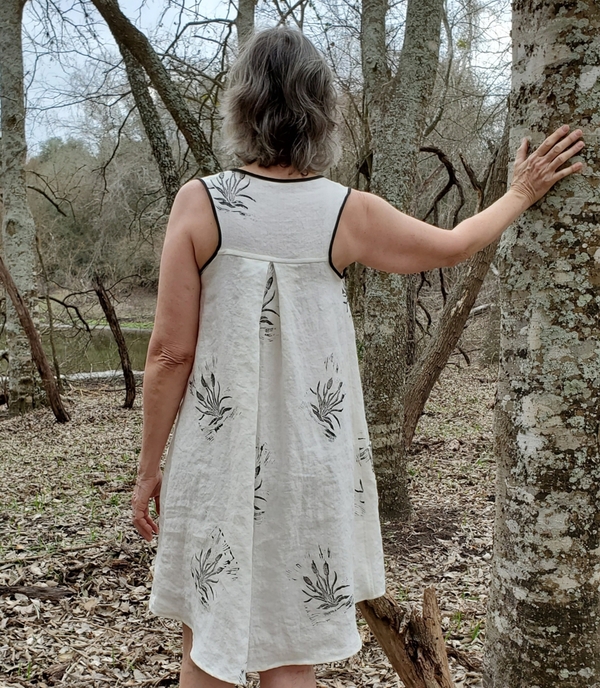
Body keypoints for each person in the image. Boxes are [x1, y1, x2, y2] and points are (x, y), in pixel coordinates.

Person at [130, 25, 585, 688]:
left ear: (244, 108)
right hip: (307, 466)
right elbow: (454, 244)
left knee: (208, 639)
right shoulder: (346, 212)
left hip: (216, 460)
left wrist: (148, 469)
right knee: (290, 654)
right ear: (321, 113)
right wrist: (518, 193)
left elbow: (170, 352)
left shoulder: (201, 203)